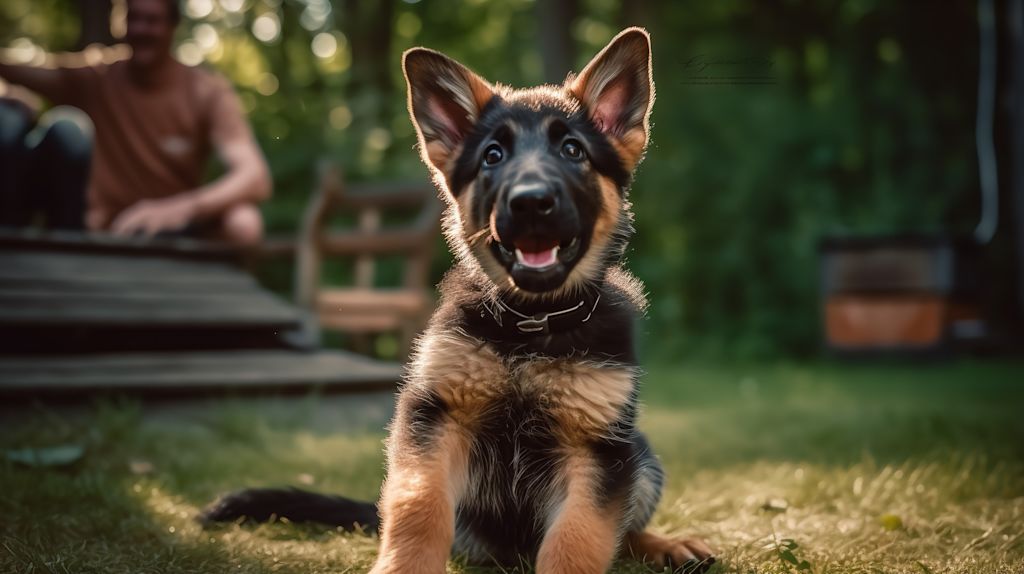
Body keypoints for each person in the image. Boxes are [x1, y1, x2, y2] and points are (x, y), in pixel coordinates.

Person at [0, 0, 271, 245]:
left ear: (172, 25)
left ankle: (224, 292)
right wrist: (9, 94)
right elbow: (24, 70)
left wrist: (180, 209)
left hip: (176, 227)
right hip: (106, 230)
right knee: (56, 129)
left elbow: (254, 176)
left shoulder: (205, 91)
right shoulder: (97, 78)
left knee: (244, 223)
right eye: (134, 18)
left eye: (152, 20)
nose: (142, 29)